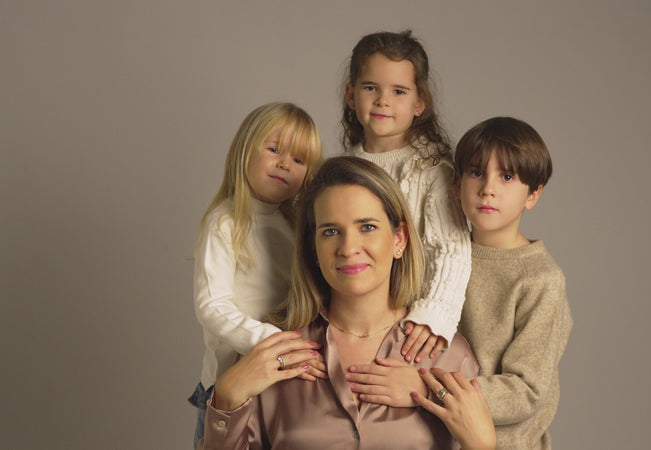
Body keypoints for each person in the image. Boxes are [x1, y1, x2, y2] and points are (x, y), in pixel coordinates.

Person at [199, 157, 489, 449]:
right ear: (314, 248)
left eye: (367, 227)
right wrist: (226, 399)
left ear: (399, 239)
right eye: (331, 232)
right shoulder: (274, 352)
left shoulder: (450, 357)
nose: (348, 249)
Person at [188, 102, 324, 448]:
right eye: (274, 150)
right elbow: (213, 306)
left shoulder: (294, 225)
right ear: (245, 150)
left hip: (280, 379)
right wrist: (273, 344)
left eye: (299, 159)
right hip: (232, 380)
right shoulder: (226, 221)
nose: (284, 164)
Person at [341, 30, 472, 363]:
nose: (383, 101)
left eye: (398, 91)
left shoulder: (431, 169)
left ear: (419, 103)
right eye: (371, 88)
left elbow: (451, 249)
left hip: (411, 329)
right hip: (354, 322)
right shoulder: (342, 169)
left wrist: (433, 316)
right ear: (351, 95)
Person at [453, 117, 573, 449]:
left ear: (532, 195)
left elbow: (525, 390)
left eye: (506, 177)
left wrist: (429, 388)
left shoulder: (541, 279)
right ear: (457, 184)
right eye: (476, 172)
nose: (487, 188)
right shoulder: (443, 256)